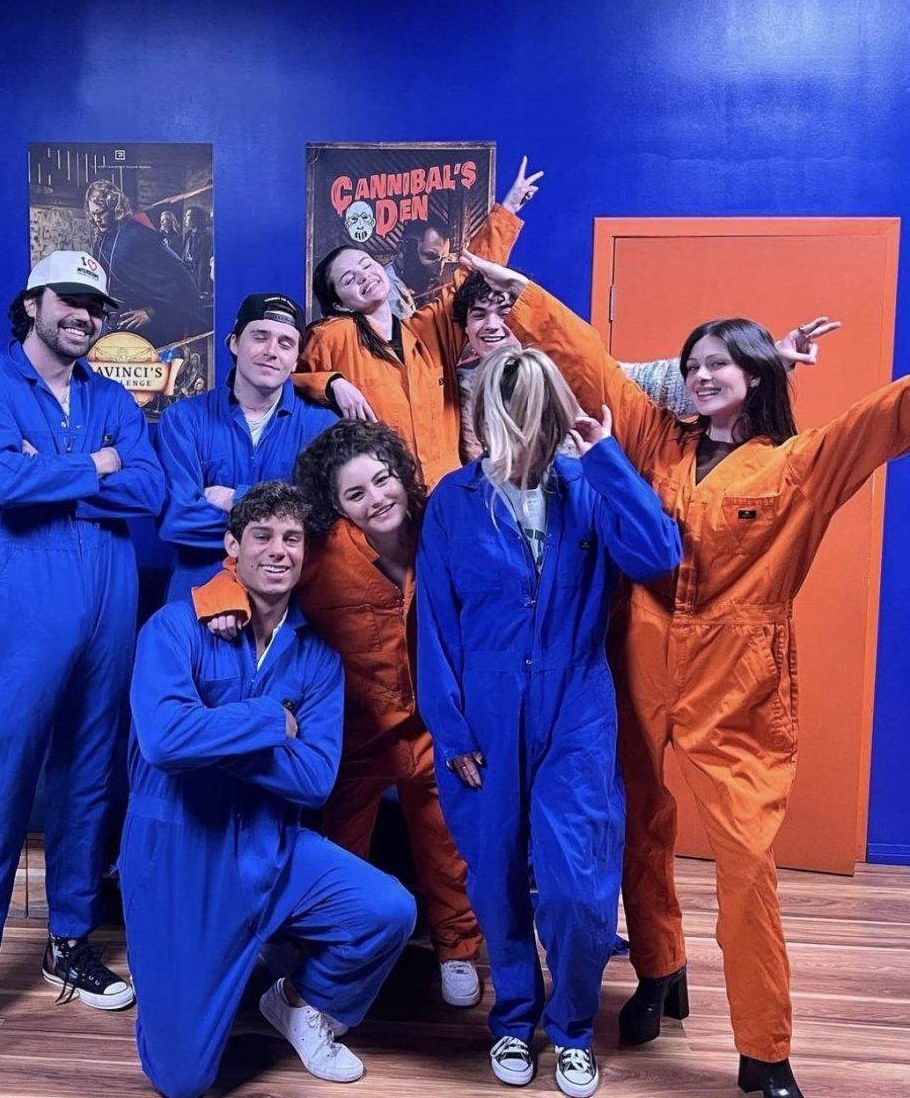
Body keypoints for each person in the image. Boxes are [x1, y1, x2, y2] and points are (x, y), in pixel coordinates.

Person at [460, 251, 904, 1098]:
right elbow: (590, 364)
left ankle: (764, 1049)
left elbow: (884, 416)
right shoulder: (654, 438)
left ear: (756, 374)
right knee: (636, 827)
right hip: (637, 652)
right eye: (692, 364)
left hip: (738, 675)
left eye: (718, 364)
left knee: (745, 860)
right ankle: (660, 970)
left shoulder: (799, 464)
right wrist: (523, 298)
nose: (700, 376)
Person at [0, 251, 164, 1079]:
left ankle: (69, 940)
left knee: (90, 777)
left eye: (97, 304)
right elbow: (2, 486)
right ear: (32, 303)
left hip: (110, 599)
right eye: (70, 299)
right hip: (23, 597)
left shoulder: (110, 397)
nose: (84, 315)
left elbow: (150, 491)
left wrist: (51, 473)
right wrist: (97, 465)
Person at [416, 347, 681, 1097]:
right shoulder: (454, 500)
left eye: (534, 424)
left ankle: (571, 1027)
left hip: (576, 707)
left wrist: (604, 458)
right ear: (481, 422)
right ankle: (513, 1019)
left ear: (554, 420)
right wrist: (450, 729)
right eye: (504, 425)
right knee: (496, 879)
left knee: (577, 887)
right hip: (484, 714)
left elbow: (658, 554)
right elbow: (433, 623)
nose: (519, 444)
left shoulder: (587, 487)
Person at [121, 481, 416, 1098]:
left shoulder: (318, 658)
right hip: (178, 856)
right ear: (233, 546)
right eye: (262, 536)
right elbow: (165, 741)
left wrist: (210, 736)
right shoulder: (173, 628)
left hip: (270, 846)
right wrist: (268, 720)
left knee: (387, 910)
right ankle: (200, 975)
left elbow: (313, 780)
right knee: (182, 1079)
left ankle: (299, 1001)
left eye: (292, 538)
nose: (279, 550)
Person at [290, 420, 484, 1007]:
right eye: (356, 494)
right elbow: (247, 570)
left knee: (448, 844)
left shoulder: (441, 525)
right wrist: (220, 605)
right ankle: (337, 954)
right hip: (356, 734)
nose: (376, 499)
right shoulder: (320, 553)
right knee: (342, 853)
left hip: (436, 729)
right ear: (337, 506)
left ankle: (457, 948)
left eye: (382, 480)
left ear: (401, 473)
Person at [295, 156, 544, 488]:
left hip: (446, 490)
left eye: (366, 265)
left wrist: (507, 211)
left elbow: (465, 280)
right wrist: (331, 383)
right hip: (386, 497)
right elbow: (289, 378)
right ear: (339, 302)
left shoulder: (426, 330)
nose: (364, 276)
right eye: (349, 278)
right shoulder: (335, 336)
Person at [156, 293, 336, 601]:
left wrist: (236, 498)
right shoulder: (183, 420)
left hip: (287, 606)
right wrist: (283, 523)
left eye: (285, 344)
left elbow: (321, 520)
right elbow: (178, 521)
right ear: (234, 343)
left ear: (296, 359)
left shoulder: (323, 427)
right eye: (260, 337)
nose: (271, 351)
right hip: (199, 597)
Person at [452, 271, 691, 462]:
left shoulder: (574, 374)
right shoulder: (458, 390)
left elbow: (666, 382)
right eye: (479, 315)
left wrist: (707, 367)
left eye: (504, 313)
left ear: (523, 319)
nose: (492, 324)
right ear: (466, 328)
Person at [85, 179, 207, 346]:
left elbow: (180, 277)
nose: (97, 219)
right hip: (113, 324)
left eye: (101, 213)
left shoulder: (138, 235)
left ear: (114, 208)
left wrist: (152, 312)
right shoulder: (101, 240)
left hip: (146, 328)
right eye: (93, 214)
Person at [181, 205, 213, 296]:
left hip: (198, 280)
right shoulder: (188, 235)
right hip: (188, 278)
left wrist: (200, 289)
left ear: (196, 218)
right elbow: (184, 257)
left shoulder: (205, 238)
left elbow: (203, 265)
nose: (185, 219)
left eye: (187, 216)